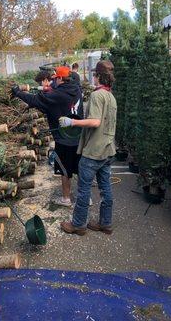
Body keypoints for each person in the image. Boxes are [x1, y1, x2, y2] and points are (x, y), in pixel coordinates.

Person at [11, 66, 83, 206]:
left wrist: (18, 92)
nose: (53, 81)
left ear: (61, 79)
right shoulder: (77, 90)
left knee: (65, 170)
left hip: (64, 138)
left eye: (56, 79)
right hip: (79, 135)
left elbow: (35, 100)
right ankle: (85, 197)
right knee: (80, 168)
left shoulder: (57, 95)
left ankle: (66, 199)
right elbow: (53, 98)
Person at [59, 60, 117, 235]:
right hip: (108, 150)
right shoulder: (111, 97)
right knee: (106, 189)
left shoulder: (97, 95)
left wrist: (72, 121)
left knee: (83, 190)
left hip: (93, 152)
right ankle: (105, 223)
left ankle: (78, 225)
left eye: (94, 74)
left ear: (98, 76)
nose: (93, 76)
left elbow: (95, 122)